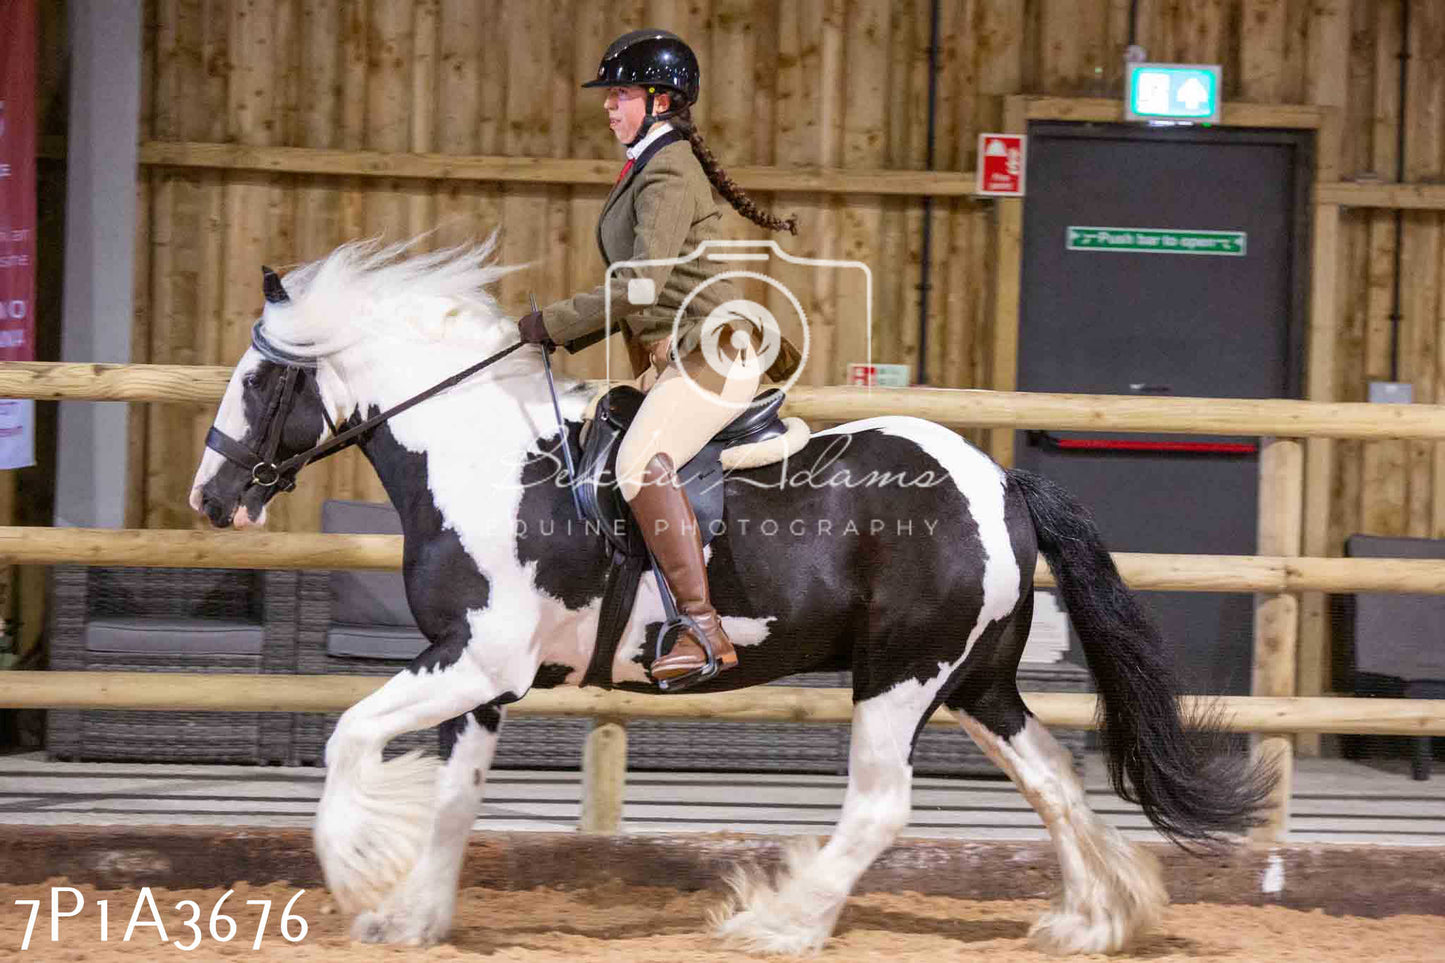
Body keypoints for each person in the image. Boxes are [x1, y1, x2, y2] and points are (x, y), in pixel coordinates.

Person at [517, 28, 798, 687]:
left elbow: (640, 281)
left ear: (662, 100)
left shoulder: (668, 169)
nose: (609, 107)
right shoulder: (652, 163)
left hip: (714, 354)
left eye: (620, 94)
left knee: (639, 461)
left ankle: (702, 627)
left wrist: (552, 324)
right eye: (609, 95)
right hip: (680, 352)